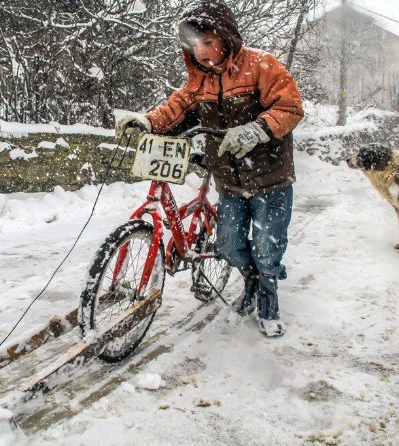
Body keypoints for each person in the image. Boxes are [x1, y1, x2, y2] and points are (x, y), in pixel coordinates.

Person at [115, 0, 304, 337]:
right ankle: (250, 282)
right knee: (228, 245)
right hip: (230, 182)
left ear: (226, 36)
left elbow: (289, 106)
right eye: (194, 45)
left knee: (266, 248)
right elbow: (174, 110)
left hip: (270, 179)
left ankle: (268, 300)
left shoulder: (262, 65)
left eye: (207, 42)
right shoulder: (198, 82)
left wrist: (257, 129)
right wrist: (145, 121)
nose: (201, 52)